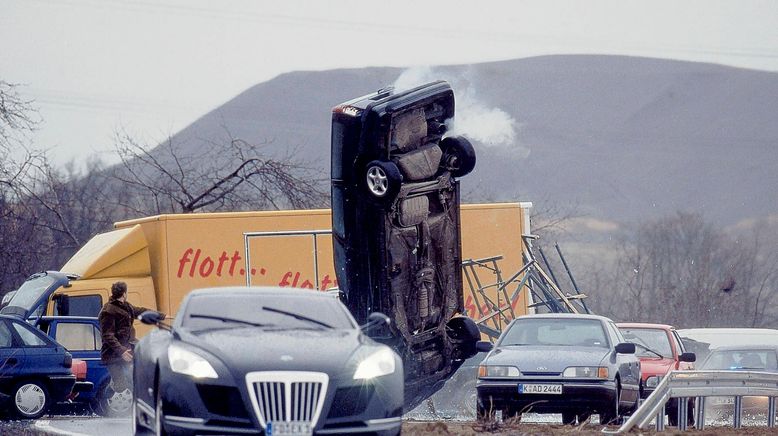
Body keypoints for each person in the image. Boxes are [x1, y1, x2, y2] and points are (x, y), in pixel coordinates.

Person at [98, 281, 163, 398]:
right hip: (112, 355)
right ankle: (105, 394)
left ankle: (142, 402)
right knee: (120, 386)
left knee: (135, 379)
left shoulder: (127, 307)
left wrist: (160, 316)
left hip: (128, 349)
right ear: (124, 293)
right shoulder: (108, 311)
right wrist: (121, 350)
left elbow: (140, 311)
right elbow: (107, 335)